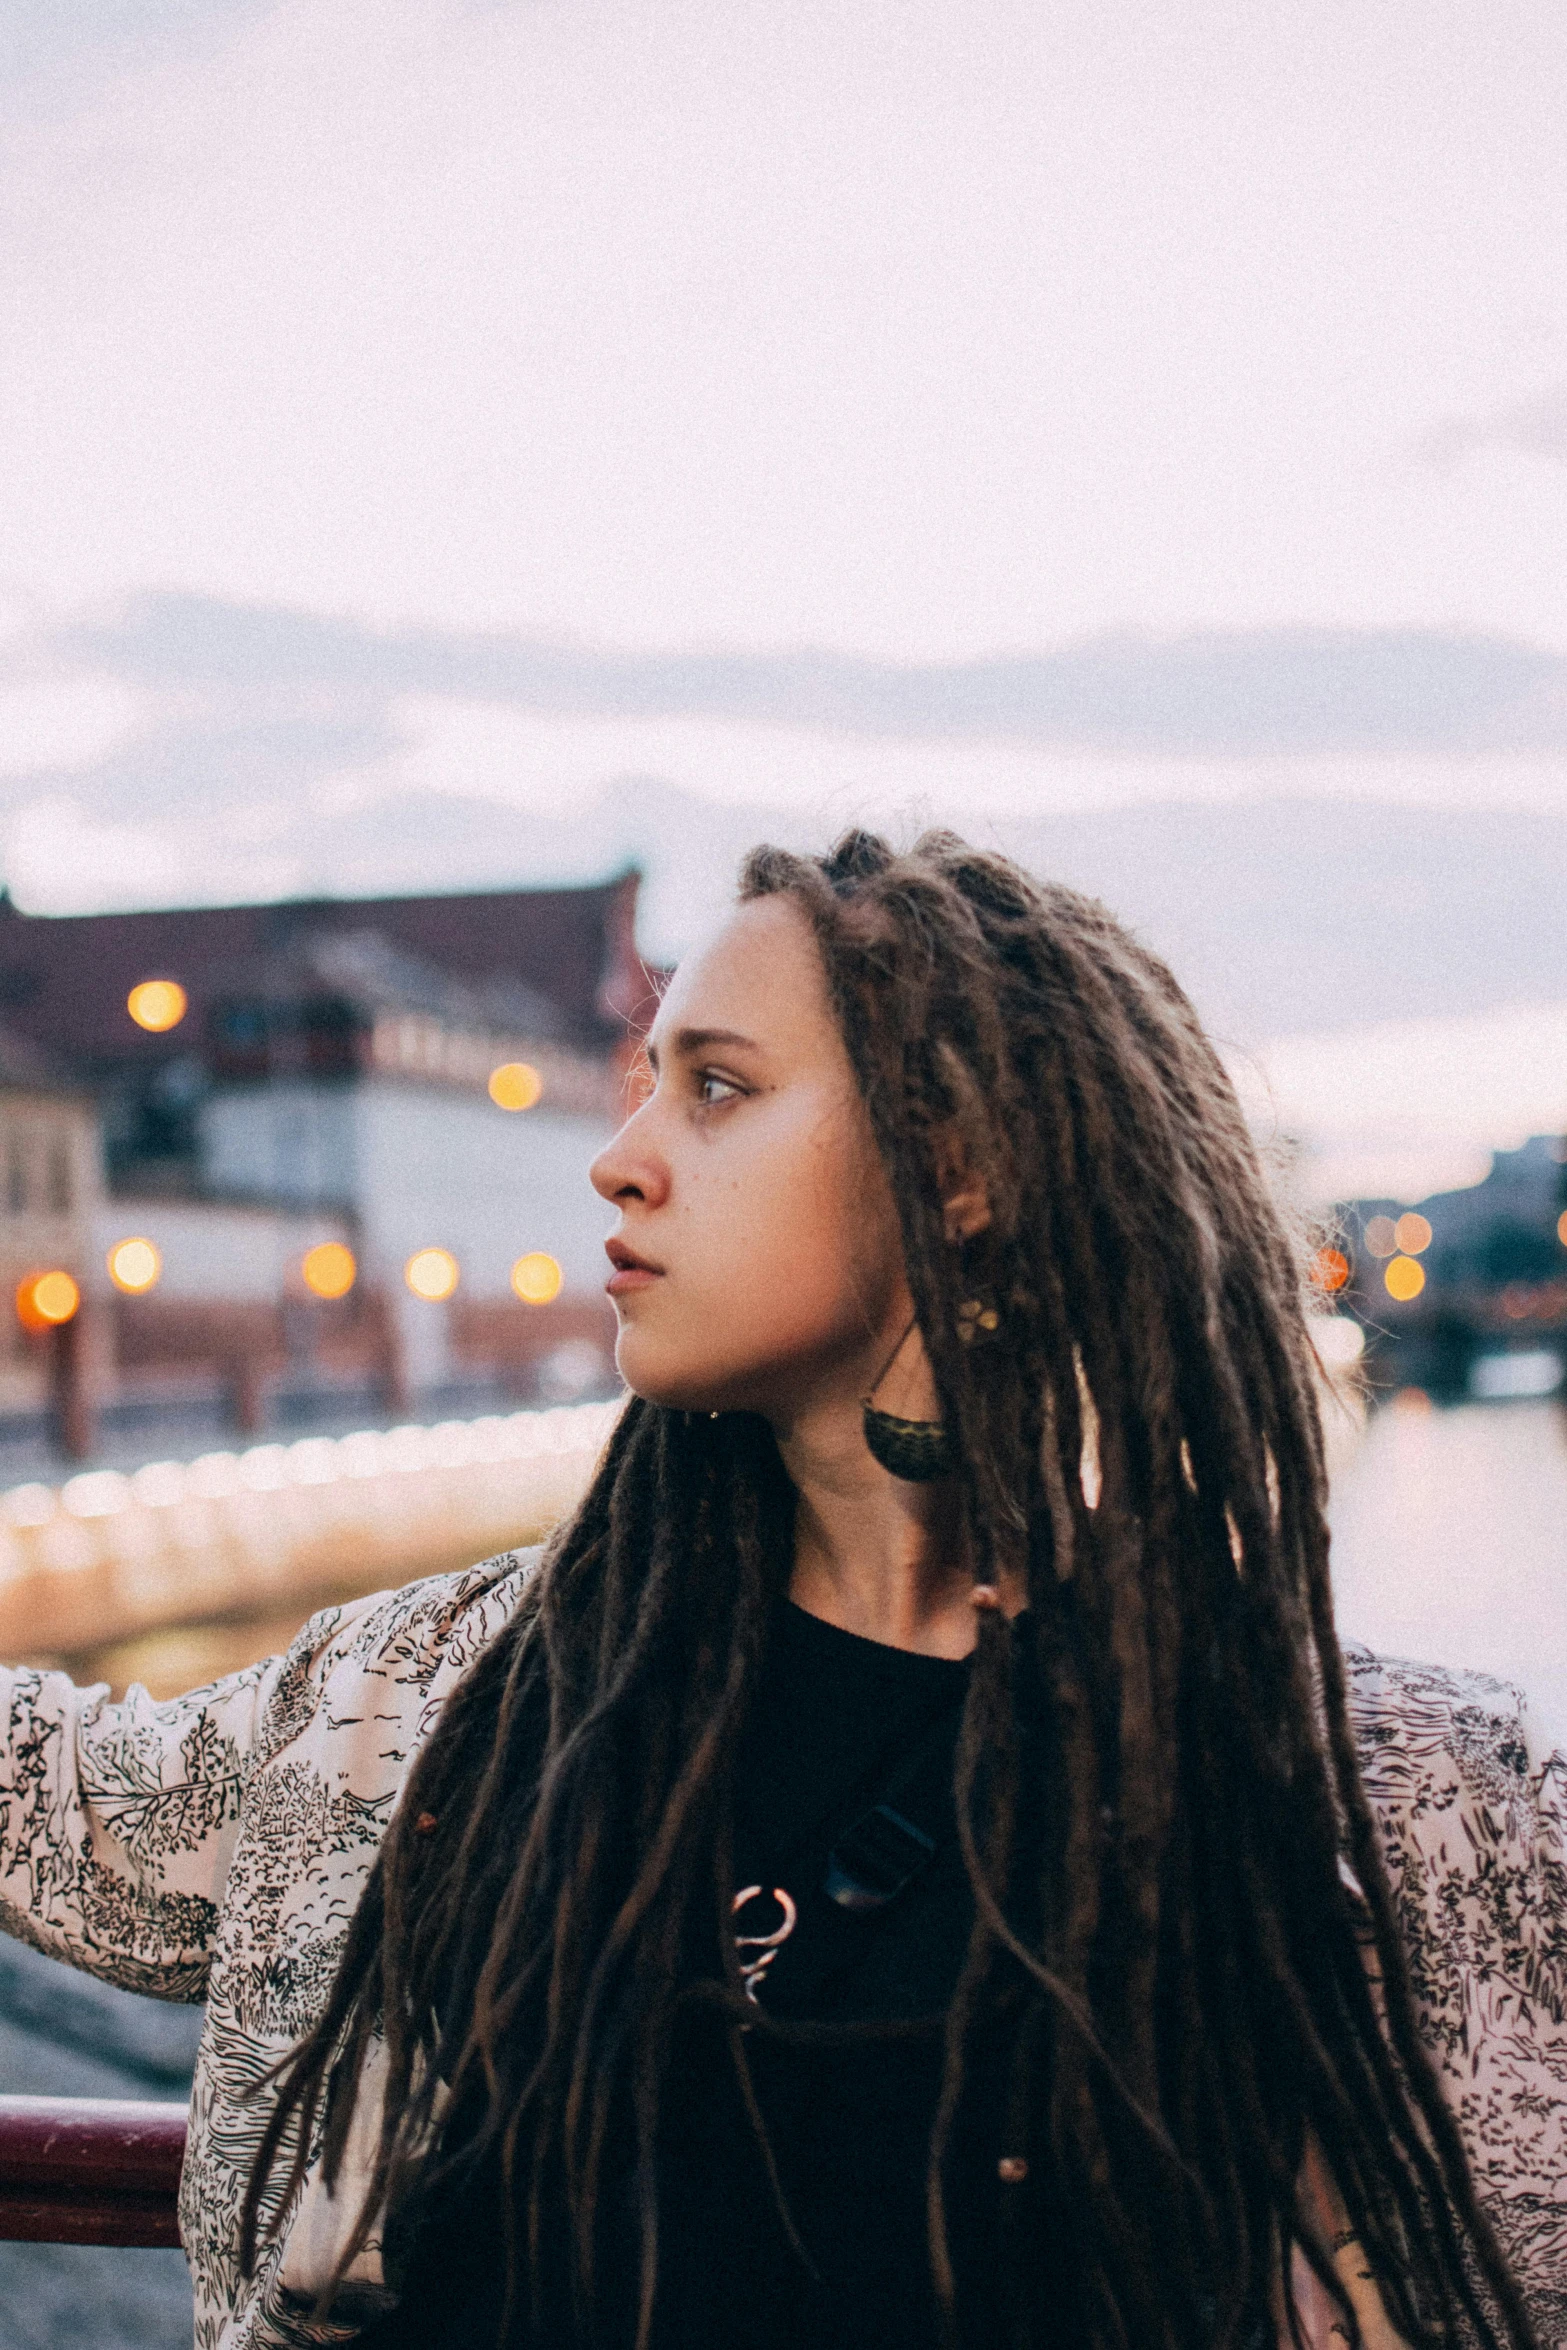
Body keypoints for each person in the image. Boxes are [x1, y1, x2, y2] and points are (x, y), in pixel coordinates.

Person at [1, 831, 1562, 2350]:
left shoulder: (1402, 1805)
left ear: (956, 1173)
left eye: (720, 1089)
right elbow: (62, 1810)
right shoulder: (435, 1699)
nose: (621, 1159)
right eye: (649, 1082)